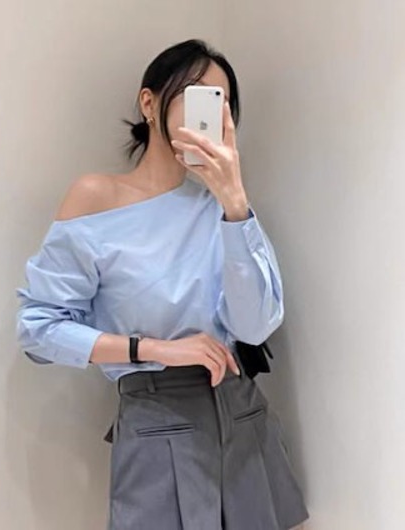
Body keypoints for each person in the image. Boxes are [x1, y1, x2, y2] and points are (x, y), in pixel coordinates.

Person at [15, 38, 309, 530]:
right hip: (156, 418)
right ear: (149, 103)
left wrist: (235, 202)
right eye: (196, 94)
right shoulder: (97, 198)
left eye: (219, 102)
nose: (208, 112)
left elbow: (255, 326)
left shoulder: (225, 211)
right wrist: (153, 349)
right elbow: (38, 330)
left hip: (243, 417)